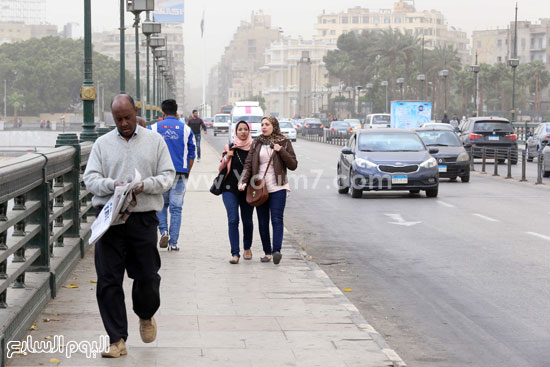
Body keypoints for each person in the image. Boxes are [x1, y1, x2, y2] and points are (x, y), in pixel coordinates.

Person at [83, 94, 175, 358]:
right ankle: (117, 339)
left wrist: (144, 184)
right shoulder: (102, 144)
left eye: (127, 117)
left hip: (143, 217)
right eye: (118, 119)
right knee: (108, 280)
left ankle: (146, 315)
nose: (124, 123)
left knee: (147, 276)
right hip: (110, 219)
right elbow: (90, 178)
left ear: (136, 112)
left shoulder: (155, 141)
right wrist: (111, 185)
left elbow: (168, 175)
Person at [239, 116, 298, 265]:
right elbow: (248, 164)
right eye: (262, 124)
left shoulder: (284, 141)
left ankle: (276, 251)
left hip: (278, 186)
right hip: (260, 187)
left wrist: (281, 151)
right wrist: (243, 181)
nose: (264, 127)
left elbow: (293, 164)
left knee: (277, 219)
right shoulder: (257, 142)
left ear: (274, 126)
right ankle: (267, 252)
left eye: (267, 124)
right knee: (263, 221)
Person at [150, 99, 196, 251]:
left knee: (161, 206)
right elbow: (192, 153)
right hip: (180, 173)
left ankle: (163, 231)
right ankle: (173, 243)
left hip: (160, 173)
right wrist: (187, 172)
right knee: (176, 209)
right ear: (176, 113)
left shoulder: (154, 128)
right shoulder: (186, 130)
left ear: (162, 113)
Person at [218, 121, 254, 264]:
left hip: (248, 188)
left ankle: (247, 248)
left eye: (246, 129)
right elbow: (221, 166)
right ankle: (235, 253)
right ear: (236, 131)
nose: (243, 132)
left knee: (247, 221)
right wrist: (228, 156)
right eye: (240, 129)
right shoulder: (230, 146)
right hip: (229, 188)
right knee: (233, 220)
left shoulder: (254, 148)